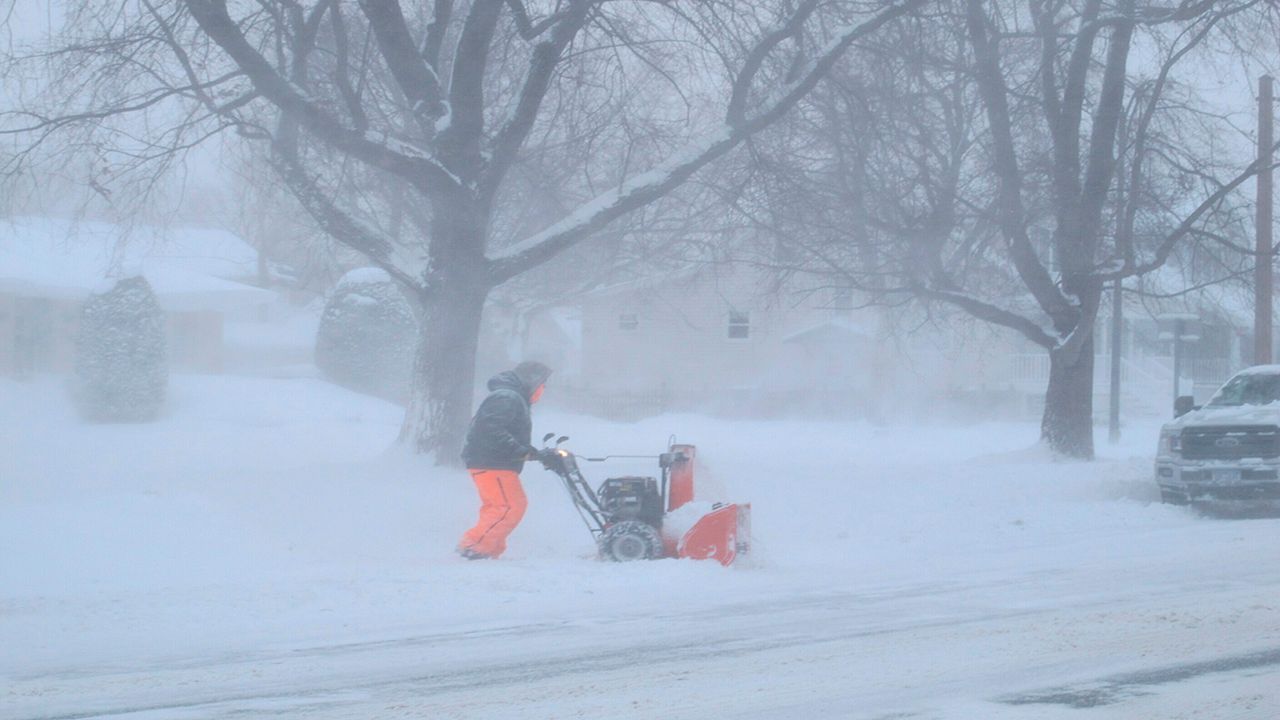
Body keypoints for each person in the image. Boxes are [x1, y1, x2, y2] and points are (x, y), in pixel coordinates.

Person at [457, 361, 552, 560]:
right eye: (543, 384)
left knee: (498, 506)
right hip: (492, 462)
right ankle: (474, 547)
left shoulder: (511, 396)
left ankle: (489, 549)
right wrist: (519, 450)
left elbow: (504, 430)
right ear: (532, 381)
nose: (543, 389)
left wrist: (528, 451)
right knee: (510, 506)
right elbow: (490, 429)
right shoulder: (507, 397)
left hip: (492, 461)